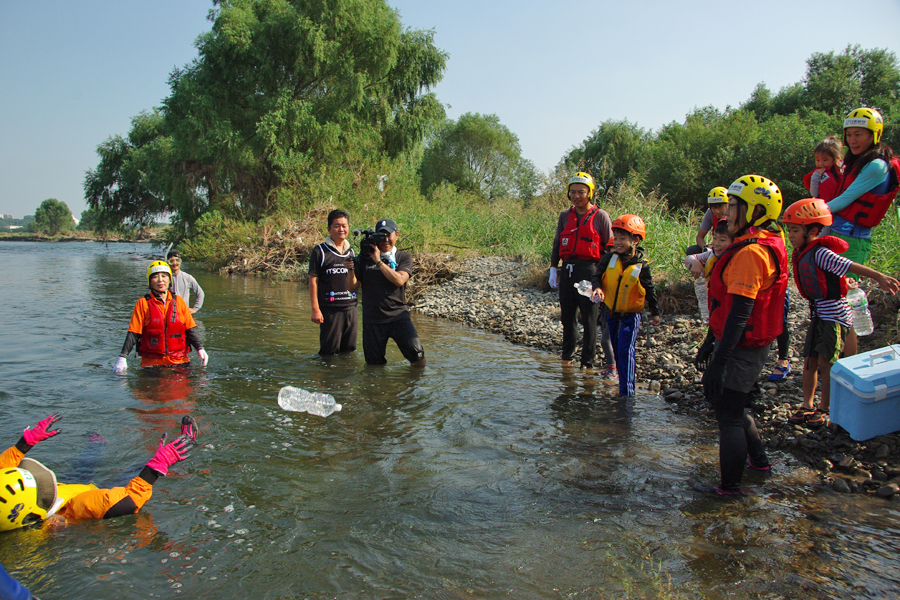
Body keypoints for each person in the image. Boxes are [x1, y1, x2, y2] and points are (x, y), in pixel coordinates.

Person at [696, 174, 788, 496]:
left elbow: (739, 315)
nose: (726, 214)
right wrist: (710, 342)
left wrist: (719, 362)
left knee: (729, 415)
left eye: (734, 206)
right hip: (742, 342)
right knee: (737, 407)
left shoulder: (751, 253)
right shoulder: (761, 240)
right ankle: (760, 463)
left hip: (743, 345)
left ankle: (729, 490)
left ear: (758, 211)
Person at [783, 198, 900, 427]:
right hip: (819, 315)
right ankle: (807, 405)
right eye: (790, 230)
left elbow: (848, 265)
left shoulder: (820, 253)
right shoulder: (803, 252)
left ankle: (824, 407)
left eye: (795, 230)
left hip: (835, 317)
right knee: (809, 362)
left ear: (813, 230)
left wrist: (878, 276)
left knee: (827, 363)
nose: (791, 236)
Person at [0, 414, 196, 532]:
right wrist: (157, 466)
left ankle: (96, 445)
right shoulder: (73, 510)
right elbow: (128, 501)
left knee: (80, 468)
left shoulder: (9, 512)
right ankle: (185, 444)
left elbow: (3, 473)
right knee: (142, 469)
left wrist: (23, 445)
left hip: (65, 489)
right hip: (79, 497)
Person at [827, 107, 900, 356]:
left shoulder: (877, 166)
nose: (853, 140)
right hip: (838, 234)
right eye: (849, 135)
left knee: (843, 304)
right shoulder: (857, 162)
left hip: (853, 240)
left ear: (874, 135)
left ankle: (849, 361)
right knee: (832, 299)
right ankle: (835, 356)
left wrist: (810, 212)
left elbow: (846, 199)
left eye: (859, 134)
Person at [590, 214, 661, 396]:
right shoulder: (608, 259)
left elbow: (649, 289)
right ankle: (621, 385)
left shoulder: (641, 266)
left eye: (623, 238)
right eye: (616, 237)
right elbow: (596, 276)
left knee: (624, 350)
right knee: (615, 346)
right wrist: (597, 288)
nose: (618, 242)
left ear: (635, 239)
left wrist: (655, 313)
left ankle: (626, 394)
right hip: (611, 313)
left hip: (631, 315)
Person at [549, 172, 614, 371]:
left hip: (590, 272)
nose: (577, 196)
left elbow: (610, 248)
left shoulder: (600, 216)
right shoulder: (564, 215)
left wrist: (602, 279)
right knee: (567, 319)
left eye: (582, 192)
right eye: (573, 192)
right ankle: (567, 359)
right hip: (567, 270)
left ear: (590, 194)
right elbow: (558, 243)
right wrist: (553, 268)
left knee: (589, 320)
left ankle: (587, 363)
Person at [113, 261, 209, 373]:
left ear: (169, 279)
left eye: (164, 276)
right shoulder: (143, 303)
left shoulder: (179, 302)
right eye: (155, 277)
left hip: (180, 361)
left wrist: (200, 348)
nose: (160, 280)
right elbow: (134, 333)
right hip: (151, 364)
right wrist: (123, 357)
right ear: (150, 281)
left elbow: (190, 330)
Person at [355, 219, 425, 366]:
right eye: (381, 236)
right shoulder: (364, 259)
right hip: (372, 319)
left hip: (398, 316)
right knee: (374, 366)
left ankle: (414, 386)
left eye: (389, 235)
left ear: (397, 235)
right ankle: (378, 388)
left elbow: (399, 280)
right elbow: (352, 287)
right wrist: (351, 267)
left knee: (417, 357)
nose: (385, 240)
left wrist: (378, 261)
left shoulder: (403, 257)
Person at [308, 209, 358, 355]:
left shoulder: (352, 252)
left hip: (351, 308)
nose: (341, 229)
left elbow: (356, 279)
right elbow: (312, 280)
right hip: (330, 309)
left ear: (348, 227)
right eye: (337, 226)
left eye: (344, 226)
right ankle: (326, 377)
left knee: (349, 351)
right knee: (329, 353)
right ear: (329, 228)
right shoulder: (320, 251)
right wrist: (315, 309)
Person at [686, 187, 729, 255]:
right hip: (716, 247)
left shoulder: (733, 214)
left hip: (729, 248)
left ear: (727, 205)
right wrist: (705, 249)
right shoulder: (710, 213)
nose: (717, 211)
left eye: (720, 206)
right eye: (714, 207)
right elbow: (700, 237)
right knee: (692, 250)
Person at [803, 137, 843, 201]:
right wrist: (815, 176)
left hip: (839, 204)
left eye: (825, 160)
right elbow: (814, 194)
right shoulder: (818, 174)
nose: (821, 164)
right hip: (823, 207)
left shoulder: (842, 169)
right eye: (817, 160)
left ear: (836, 158)